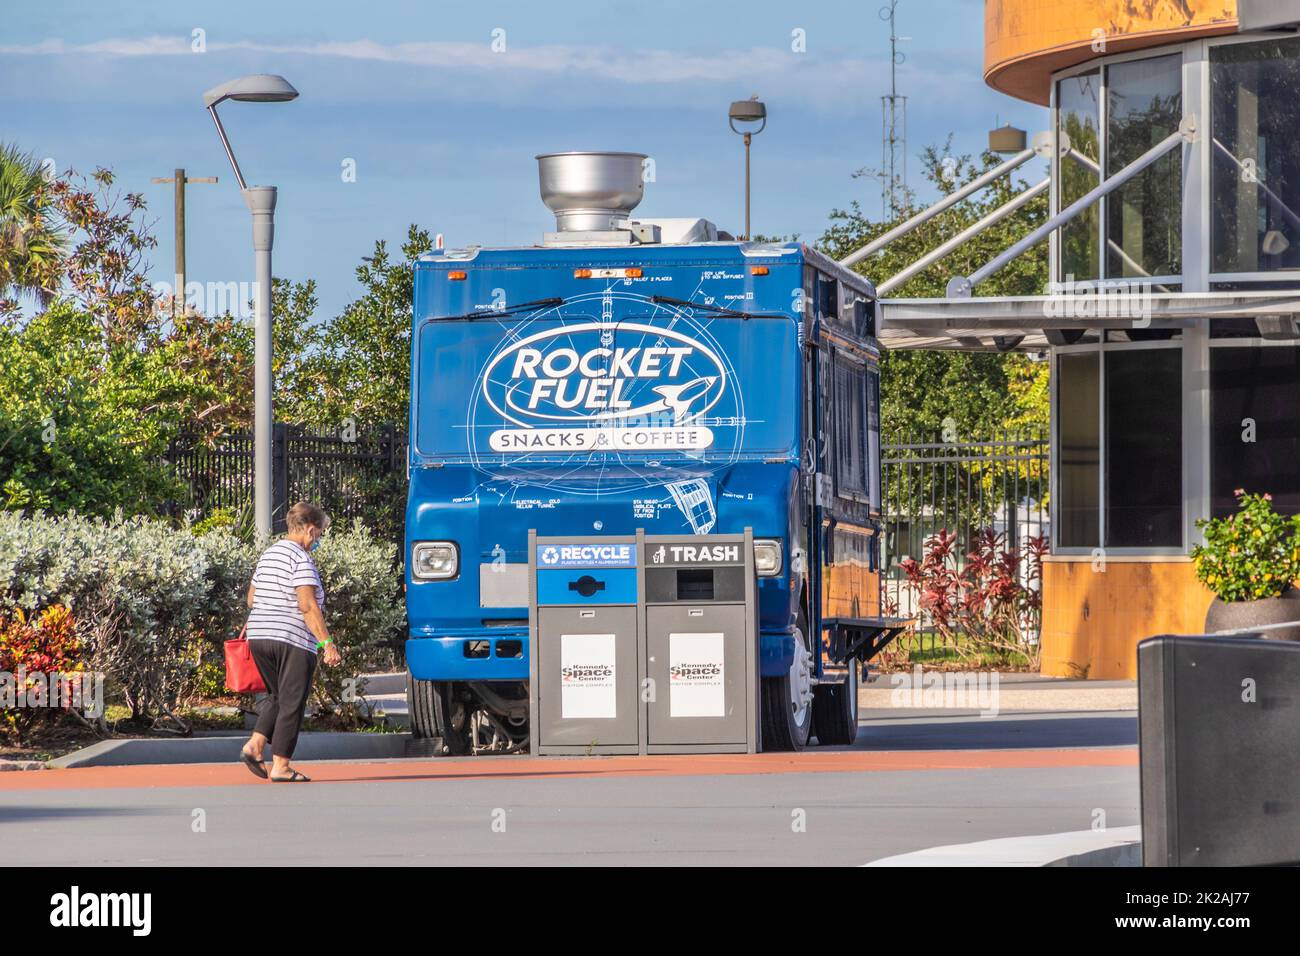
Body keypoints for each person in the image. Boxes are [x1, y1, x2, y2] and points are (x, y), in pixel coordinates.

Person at [239, 502, 341, 782]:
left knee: (277, 696)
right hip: (291, 638)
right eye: (318, 534)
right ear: (309, 529)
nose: (318, 540)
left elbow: (251, 598)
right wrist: (326, 644)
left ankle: (254, 746)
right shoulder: (301, 559)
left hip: (259, 636)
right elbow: (307, 606)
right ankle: (281, 766)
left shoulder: (268, 555)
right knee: (293, 702)